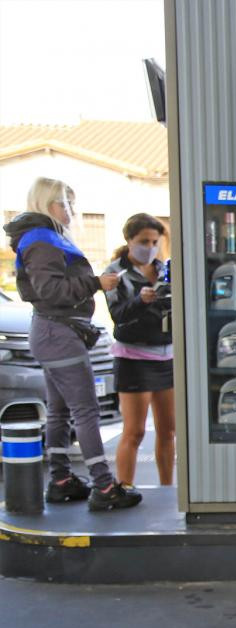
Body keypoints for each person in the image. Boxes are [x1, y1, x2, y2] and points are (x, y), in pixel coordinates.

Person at [1, 178, 141, 510]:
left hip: (53, 332)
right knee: (85, 409)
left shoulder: (42, 238)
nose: (72, 211)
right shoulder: (44, 240)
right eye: (66, 204)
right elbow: (50, 291)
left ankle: (61, 481)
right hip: (58, 334)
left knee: (61, 410)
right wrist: (96, 283)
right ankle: (104, 488)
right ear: (48, 204)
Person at [104, 213, 175, 488]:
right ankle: (124, 488)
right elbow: (117, 315)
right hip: (133, 358)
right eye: (144, 241)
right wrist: (140, 301)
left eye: (155, 241)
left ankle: (168, 489)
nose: (150, 246)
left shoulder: (164, 269)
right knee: (134, 432)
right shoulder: (115, 273)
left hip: (166, 356)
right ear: (129, 240)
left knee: (168, 431)